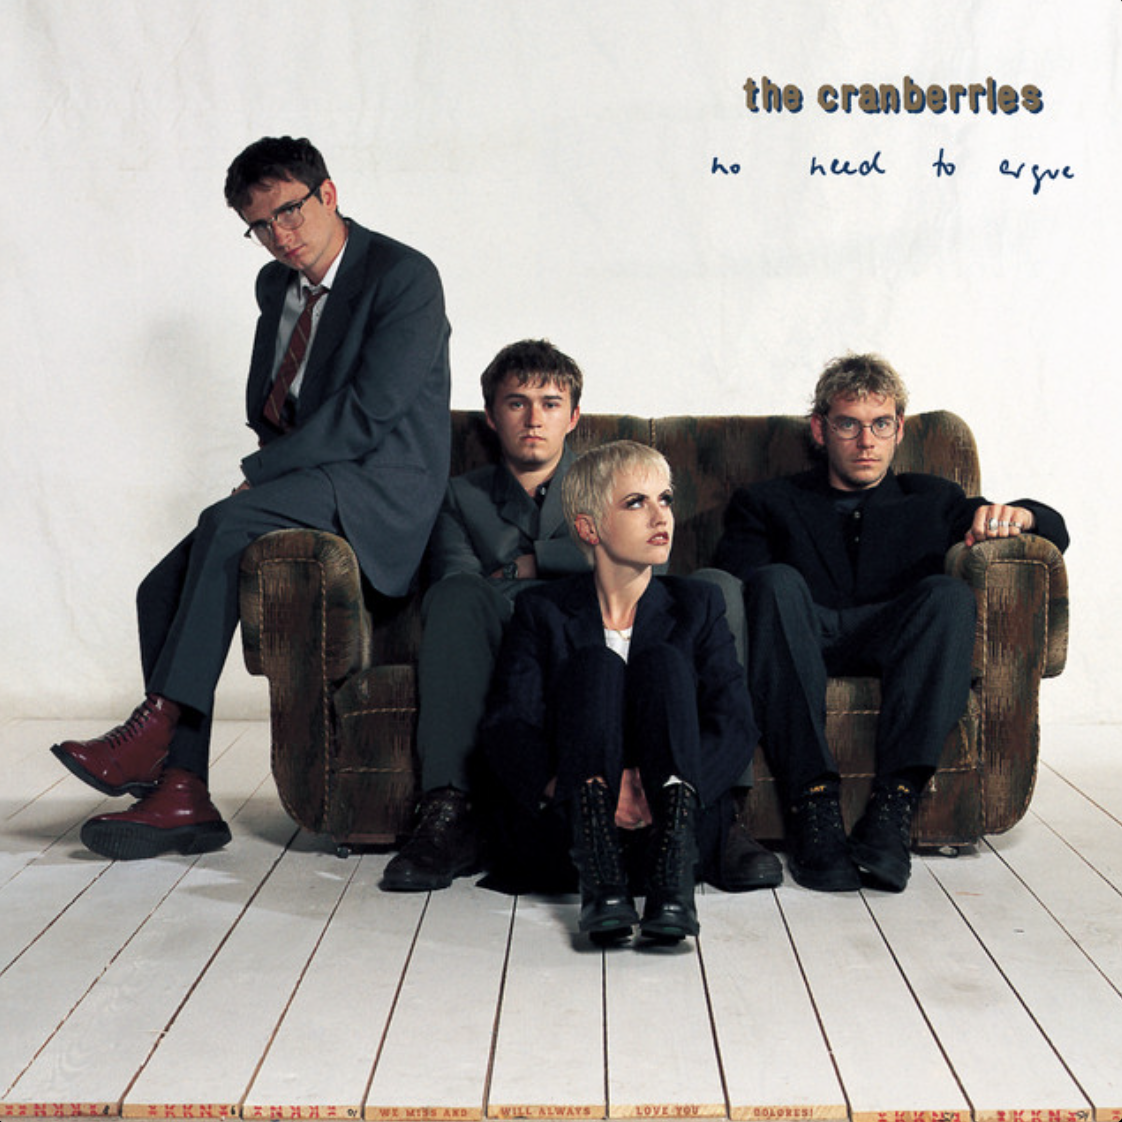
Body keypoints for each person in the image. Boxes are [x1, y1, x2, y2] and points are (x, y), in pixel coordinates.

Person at [50, 136, 452, 861]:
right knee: (159, 588)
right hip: (312, 474)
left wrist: (266, 473)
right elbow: (276, 398)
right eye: (261, 226)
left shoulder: (404, 277)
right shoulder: (277, 286)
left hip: (381, 484)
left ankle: (155, 730)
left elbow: (370, 413)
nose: (281, 237)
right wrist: (277, 463)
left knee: (226, 519)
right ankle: (184, 792)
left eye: (291, 213)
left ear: (329, 194)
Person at [713, 352, 1069, 893]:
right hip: (797, 639)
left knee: (948, 595)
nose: (866, 441)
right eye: (849, 425)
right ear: (820, 428)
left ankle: (893, 808)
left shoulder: (933, 497)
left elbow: (1055, 527)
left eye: (880, 425)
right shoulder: (767, 501)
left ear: (899, 428)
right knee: (773, 582)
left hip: (890, 637)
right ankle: (813, 805)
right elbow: (738, 585)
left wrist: (1024, 516)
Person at [480, 441, 757, 945]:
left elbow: (733, 724)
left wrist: (667, 794)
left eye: (666, 499)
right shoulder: (543, 611)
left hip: (672, 830)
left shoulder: (698, 604)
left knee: (664, 662)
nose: (661, 516)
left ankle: (673, 890)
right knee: (595, 666)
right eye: (637, 502)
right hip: (570, 836)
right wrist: (586, 793)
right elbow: (508, 728)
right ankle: (602, 885)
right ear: (589, 528)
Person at [380, 339, 588, 892]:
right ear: (492, 416)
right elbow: (460, 584)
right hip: (498, 635)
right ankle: (449, 810)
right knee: (453, 598)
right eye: (517, 403)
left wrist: (530, 562)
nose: (534, 418)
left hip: (584, 634)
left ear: (573, 417)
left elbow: (633, 562)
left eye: (549, 403)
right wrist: (567, 566)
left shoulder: (606, 483)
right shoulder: (458, 496)